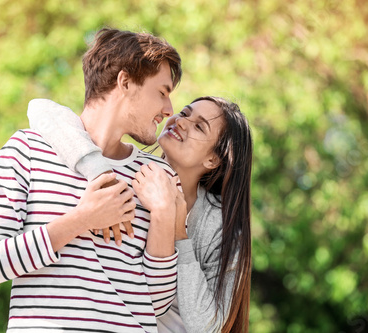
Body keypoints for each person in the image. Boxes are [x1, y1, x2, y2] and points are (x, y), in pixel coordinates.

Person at [0, 27, 183, 332]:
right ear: (125, 82)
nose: (169, 110)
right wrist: (81, 220)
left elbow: (157, 303)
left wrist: (163, 213)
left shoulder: (156, 178)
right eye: (162, 92)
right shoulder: (27, 151)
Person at [27, 96, 253, 332]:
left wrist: (177, 231)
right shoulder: (124, 175)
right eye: (185, 113)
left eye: (199, 126)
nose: (181, 121)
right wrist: (97, 171)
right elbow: (41, 109)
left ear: (213, 159)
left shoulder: (217, 225)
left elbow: (208, 327)